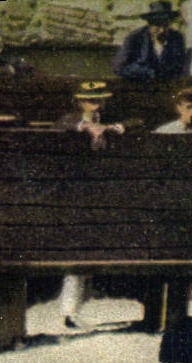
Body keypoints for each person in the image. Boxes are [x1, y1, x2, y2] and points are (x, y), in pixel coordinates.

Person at [58, 82, 126, 330]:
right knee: (77, 256)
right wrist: (85, 127)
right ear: (80, 102)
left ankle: (77, 311)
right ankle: (70, 312)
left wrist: (110, 128)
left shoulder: (112, 123)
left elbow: (134, 124)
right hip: (75, 196)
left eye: (100, 100)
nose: (96, 105)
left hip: (104, 196)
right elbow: (64, 127)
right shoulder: (70, 121)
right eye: (90, 100)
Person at [114, 1, 192, 84]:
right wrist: (147, 72)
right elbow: (119, 67)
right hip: (140, 88)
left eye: (165, 25)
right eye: (157, 25)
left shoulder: (177, 39)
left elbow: (182, 68)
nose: (162, 30)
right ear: (149, 24)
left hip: (168, 88)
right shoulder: (135, 38)